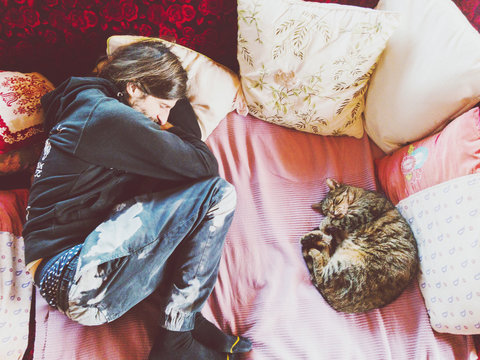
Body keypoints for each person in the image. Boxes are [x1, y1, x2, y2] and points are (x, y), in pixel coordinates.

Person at [22, 40, 251, 360]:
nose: (163, 118)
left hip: (72, 264)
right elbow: (203, 165)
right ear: (133, 88)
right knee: (217, 195)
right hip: (69, 275)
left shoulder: (92, 105)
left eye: (170, 108)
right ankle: (175, 340)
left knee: (177, 201)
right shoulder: (104, 116)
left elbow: (185, 175)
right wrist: (175, 116)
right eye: (163, 105)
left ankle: (184, 319)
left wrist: (167, 100)